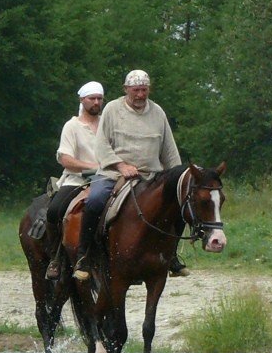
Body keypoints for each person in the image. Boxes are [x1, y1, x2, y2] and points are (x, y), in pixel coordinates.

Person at [73, 69, 184, 281]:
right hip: (113, 173)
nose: (140, 95)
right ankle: (84, 256)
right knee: (95, 201)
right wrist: (120, 165)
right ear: (126, 90)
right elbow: (101, 144)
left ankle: (171, 256)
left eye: (144, 90)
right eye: (136, 90)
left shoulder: (158, 112)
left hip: (151, 176)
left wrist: (175, 178)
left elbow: (169, 149)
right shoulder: (112, 110)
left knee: (178, 205)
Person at [43, 81, 105, 278]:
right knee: (54, 211)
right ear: (82, 100)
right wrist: (93, 167)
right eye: (92, 98)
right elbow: (66, 159)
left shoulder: (108, 124)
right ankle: (56, 257)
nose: (96, 102)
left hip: (107, 178)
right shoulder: (72, 126)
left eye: (99, 98)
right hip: (77, 180)